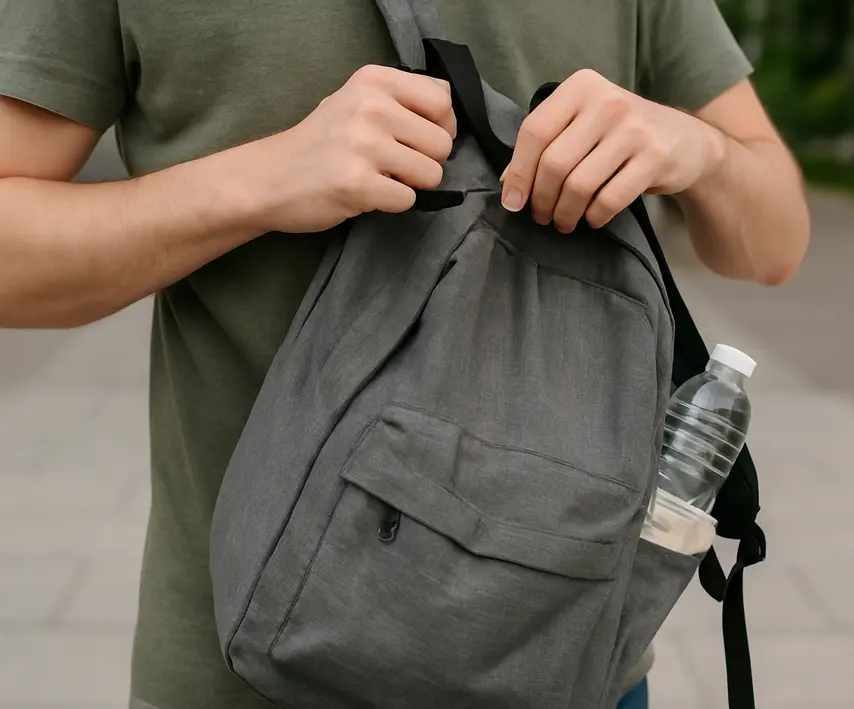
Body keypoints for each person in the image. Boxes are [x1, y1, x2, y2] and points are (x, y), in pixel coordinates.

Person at [0, 1, 809, 708]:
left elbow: (774, 243)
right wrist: (262, 180)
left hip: (563, 662)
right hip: (241, 671)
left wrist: (697, 149)